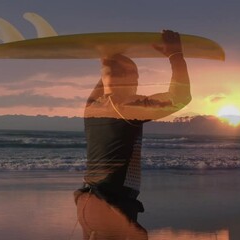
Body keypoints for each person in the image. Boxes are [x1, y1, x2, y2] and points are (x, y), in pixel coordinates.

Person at [74, 30, 191, 240]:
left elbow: (107, 77)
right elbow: (180, 97)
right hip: (112, 205)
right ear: (128, 77)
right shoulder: (127, 107)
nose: (137, 82)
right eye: (136, 75)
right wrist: (175, 55)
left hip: (87, 203)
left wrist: (107, 57)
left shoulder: (92, 107)